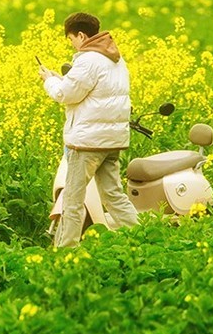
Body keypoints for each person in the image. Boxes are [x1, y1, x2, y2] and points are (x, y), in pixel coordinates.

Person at [38, 12, 139, 247]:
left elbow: (66, 94)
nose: (73, 44)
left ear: (82, 35)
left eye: (72, 39)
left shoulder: (88, 59)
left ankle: (64, 251)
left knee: (72, 199)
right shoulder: (116, 58)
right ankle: (145, 238)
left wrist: (49, 80)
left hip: (87, 143)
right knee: (114, 196)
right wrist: (63, 79)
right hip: (112, 140)